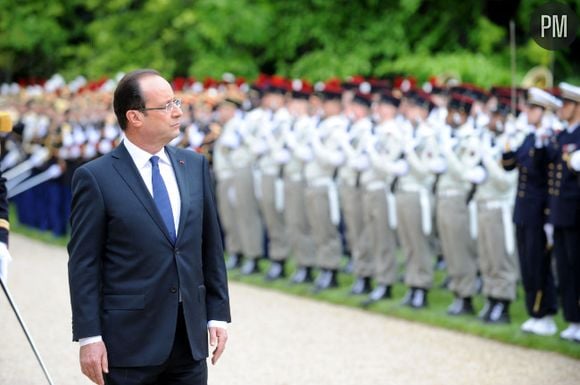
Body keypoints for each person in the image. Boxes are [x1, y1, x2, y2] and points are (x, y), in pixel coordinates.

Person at [67, 69, 231, 385]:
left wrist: (217, 314)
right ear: (135, 117)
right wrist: (89, 336)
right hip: (128, 342)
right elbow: (84, 263)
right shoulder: (96, 178)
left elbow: (210, 245)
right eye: (167, 105)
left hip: (188, 340)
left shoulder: (193, 165)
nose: (178, 112)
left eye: (177, 102)